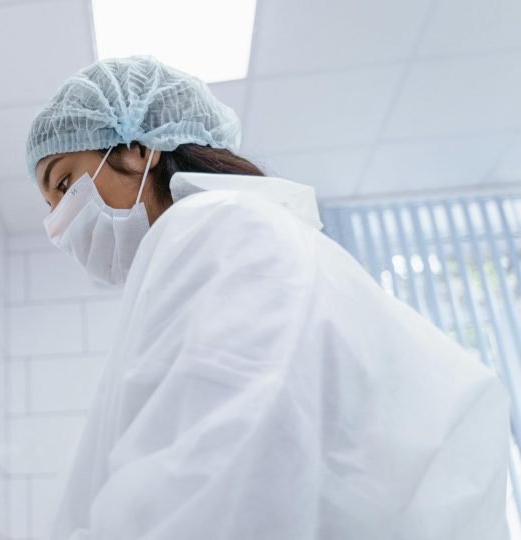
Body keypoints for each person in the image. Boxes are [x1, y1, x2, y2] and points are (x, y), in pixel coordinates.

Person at [25, 56, 511, 539]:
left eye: (66, 183)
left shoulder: (215, 229)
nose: (61, 224)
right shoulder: (217, 239)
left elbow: (216, 477)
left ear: (136, 150)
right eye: (52, 207)